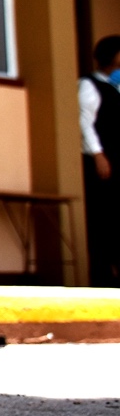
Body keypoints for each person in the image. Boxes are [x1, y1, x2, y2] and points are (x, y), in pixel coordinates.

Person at [79, 35, 120, 287]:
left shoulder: (116, 86)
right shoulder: (88, 85)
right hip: (102, 160)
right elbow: (85, 123)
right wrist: (97, 154)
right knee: (103, 218)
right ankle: (103, 278)